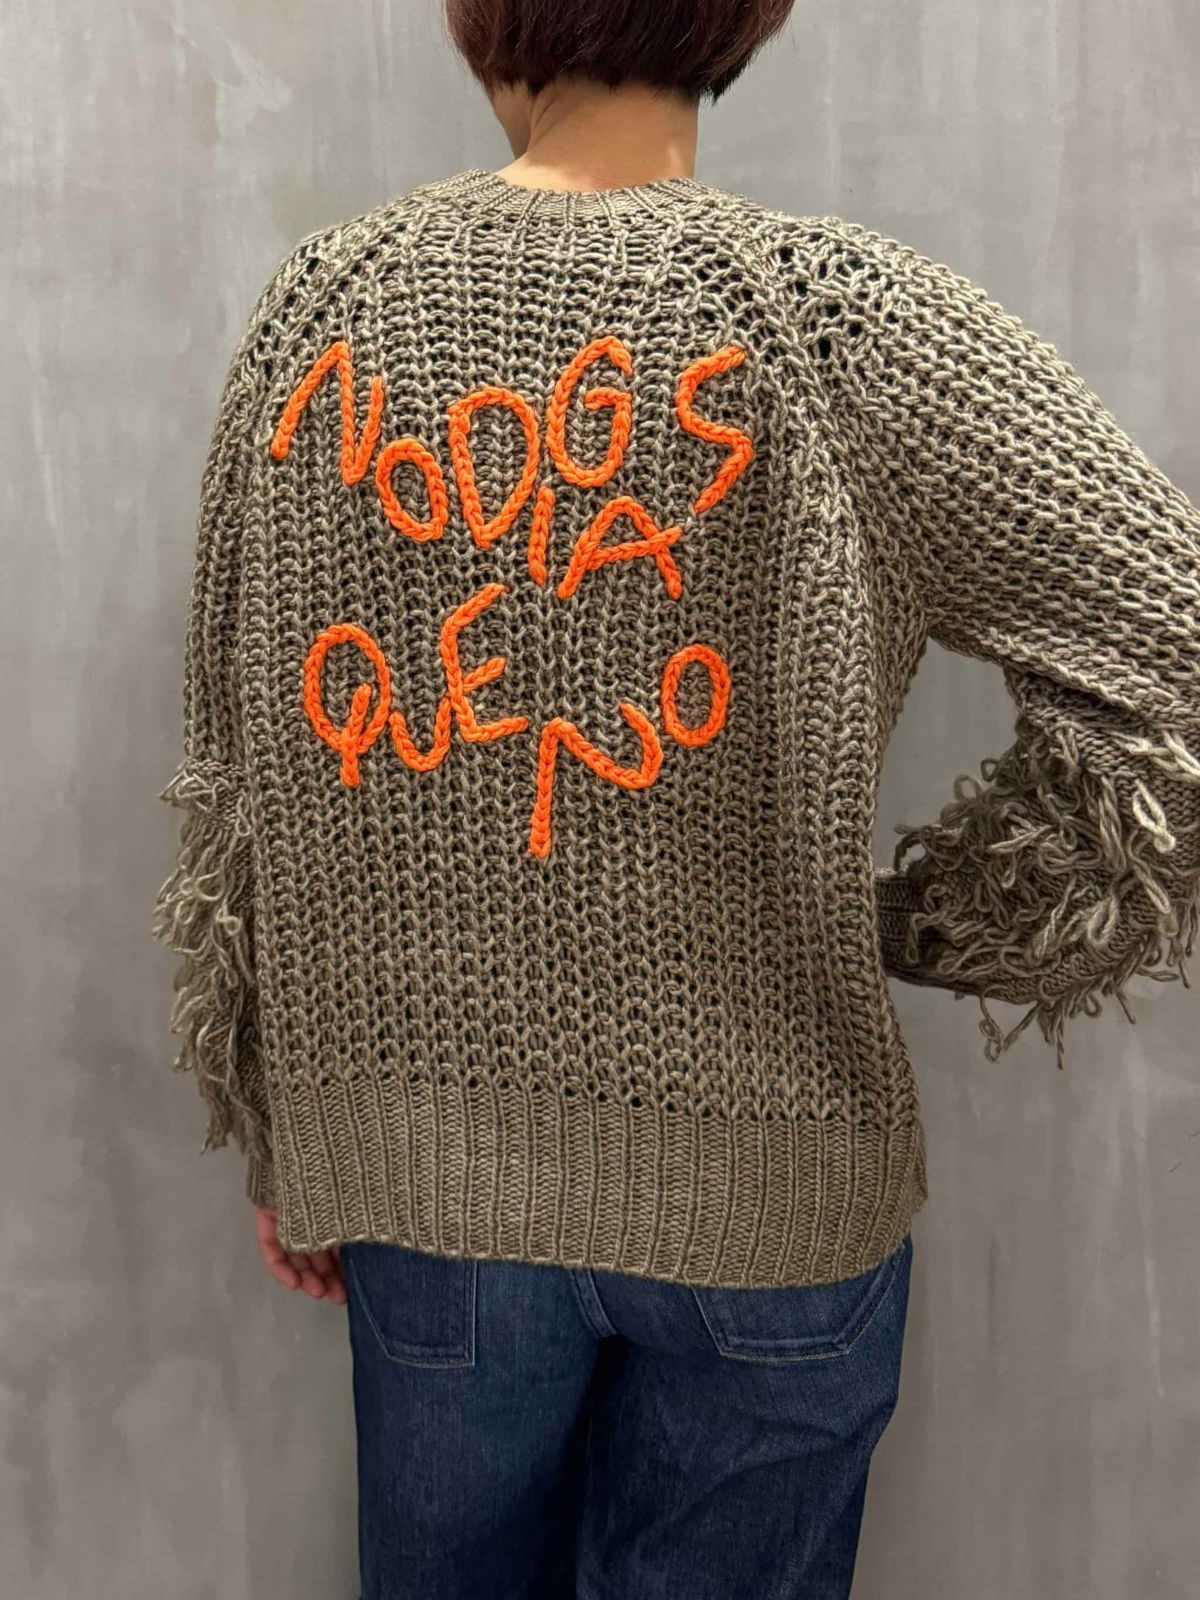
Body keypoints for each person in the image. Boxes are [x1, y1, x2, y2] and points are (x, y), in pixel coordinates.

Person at [152, 2, 1200, 1595]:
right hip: (780, 1202)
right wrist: (937, 924)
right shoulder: (850, 333)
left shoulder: (330, 310)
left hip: (434, 1193)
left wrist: (286, 1123)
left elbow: (246, 782)